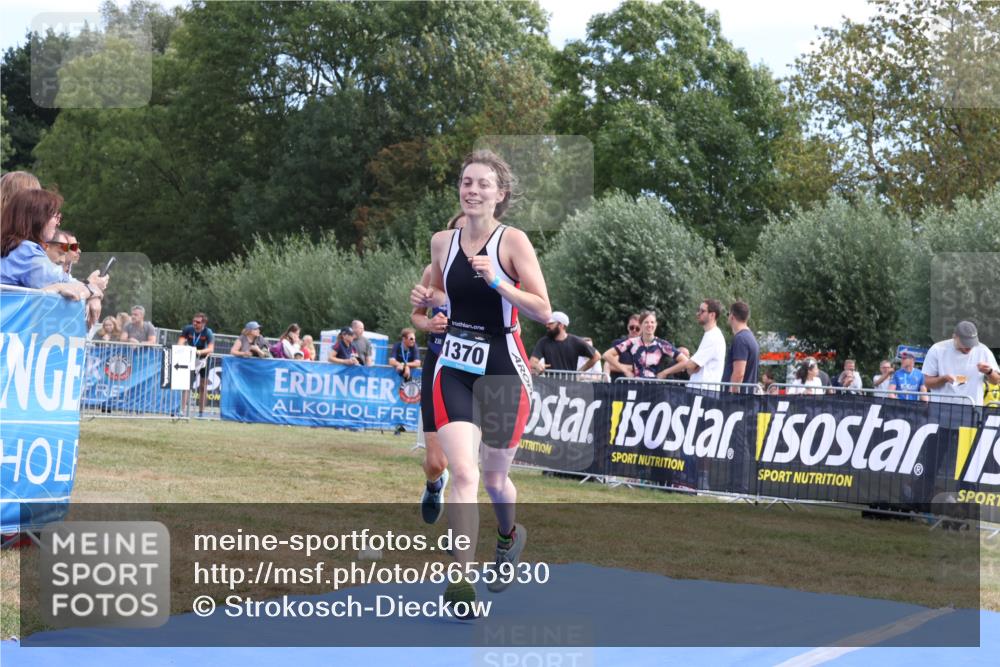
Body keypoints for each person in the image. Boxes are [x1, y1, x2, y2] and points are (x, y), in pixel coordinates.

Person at [410, 150, 551, 610]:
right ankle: (461, 579)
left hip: (503, 366)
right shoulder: (441, 242)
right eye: (466, 182)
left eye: (483, 184)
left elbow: (543, 310)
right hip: (453, 365)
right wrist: (426, 303)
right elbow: (445, 300)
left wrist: (499, 283)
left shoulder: (513, 242)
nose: (472, 190)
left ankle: (509, 537)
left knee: (494, 479)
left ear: (500, 195)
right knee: (464, 474)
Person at [411, 213, 465, 526]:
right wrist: (429, 323)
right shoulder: (432, 271)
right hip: (437, 363)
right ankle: (434, 484)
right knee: (436, 462)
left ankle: (459, 528)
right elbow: (416, 316)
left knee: (463, 463)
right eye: (456, 233)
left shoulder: (489, 273)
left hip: (472, 370)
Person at [0, 189, 107, 325]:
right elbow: (67, 288)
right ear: (37, 218)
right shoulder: (26, 251)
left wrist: (88, 287)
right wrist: (92, 289)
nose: (58, 224)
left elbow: (63, 282)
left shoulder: (14, 247)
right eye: (55, 217)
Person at [922, 321, 999, 406]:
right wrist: (944, 379)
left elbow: (996, 381)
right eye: (965, 343)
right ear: (954, 337)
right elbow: (927, 383)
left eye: (972, 344)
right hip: (942, 408)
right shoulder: (937, 349)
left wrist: (989, 372)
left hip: (972, 408)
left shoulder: (983, 350)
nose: (969, 347)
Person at [660, 299, 726, 388]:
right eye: (698, 310)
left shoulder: (713, 337)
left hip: (704, 392)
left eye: (702, 311)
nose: (698, 314)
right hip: (701, 391)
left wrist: (692, 366)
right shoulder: (710, 335)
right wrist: (692, 366)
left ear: (712, 315)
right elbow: (691, 367)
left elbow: (690, 366)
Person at [603, 310, 685, 378]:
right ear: (641, 325)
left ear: (656, 325)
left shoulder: (662, 344)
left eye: (652, 322)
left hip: (653, 388)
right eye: (646, 322)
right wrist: (625, 370)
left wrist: (665, 372)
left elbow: (685, 361)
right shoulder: (632, 342)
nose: (649, 325)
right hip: (636, 385)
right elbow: (606, 355)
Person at [529, 311, 599, 375]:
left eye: (551, 323)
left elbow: (597, 356)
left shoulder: (575, 341)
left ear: (561, 325)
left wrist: (580, 371)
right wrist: (537, 366)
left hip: (570, 386)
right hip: (550, 386)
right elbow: (532, 362)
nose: (547, 326)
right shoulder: (543, 342)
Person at [179, 312, 215, 416]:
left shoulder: (208, 332)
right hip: (190, 358)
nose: (195, 324)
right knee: (186, 384)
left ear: (203, 323)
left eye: (198, 322)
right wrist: (185, 349)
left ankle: (201, 412)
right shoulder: (188, 329)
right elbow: (180, 342)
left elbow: (211, 349)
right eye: (193, 321)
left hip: (204, 359)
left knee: (203, 386)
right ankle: (182, 410)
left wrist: (199, 352)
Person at [722, 301, 759, 393]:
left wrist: (731, 394)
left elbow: (739, 373)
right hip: (745, 397)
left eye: (728, 314)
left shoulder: (740, 339)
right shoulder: (750, 337)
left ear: (732, 316)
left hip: (736, 401)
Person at [607, 314, 641, 381]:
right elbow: (610, 366)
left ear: (641, 330)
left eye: (637, 328)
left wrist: (619, 366)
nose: (634, 330)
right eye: (632, 327)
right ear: (628, 327)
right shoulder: (618, 343)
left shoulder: (644, 346)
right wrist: (631, 368)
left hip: (637, 385)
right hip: (618, 384)